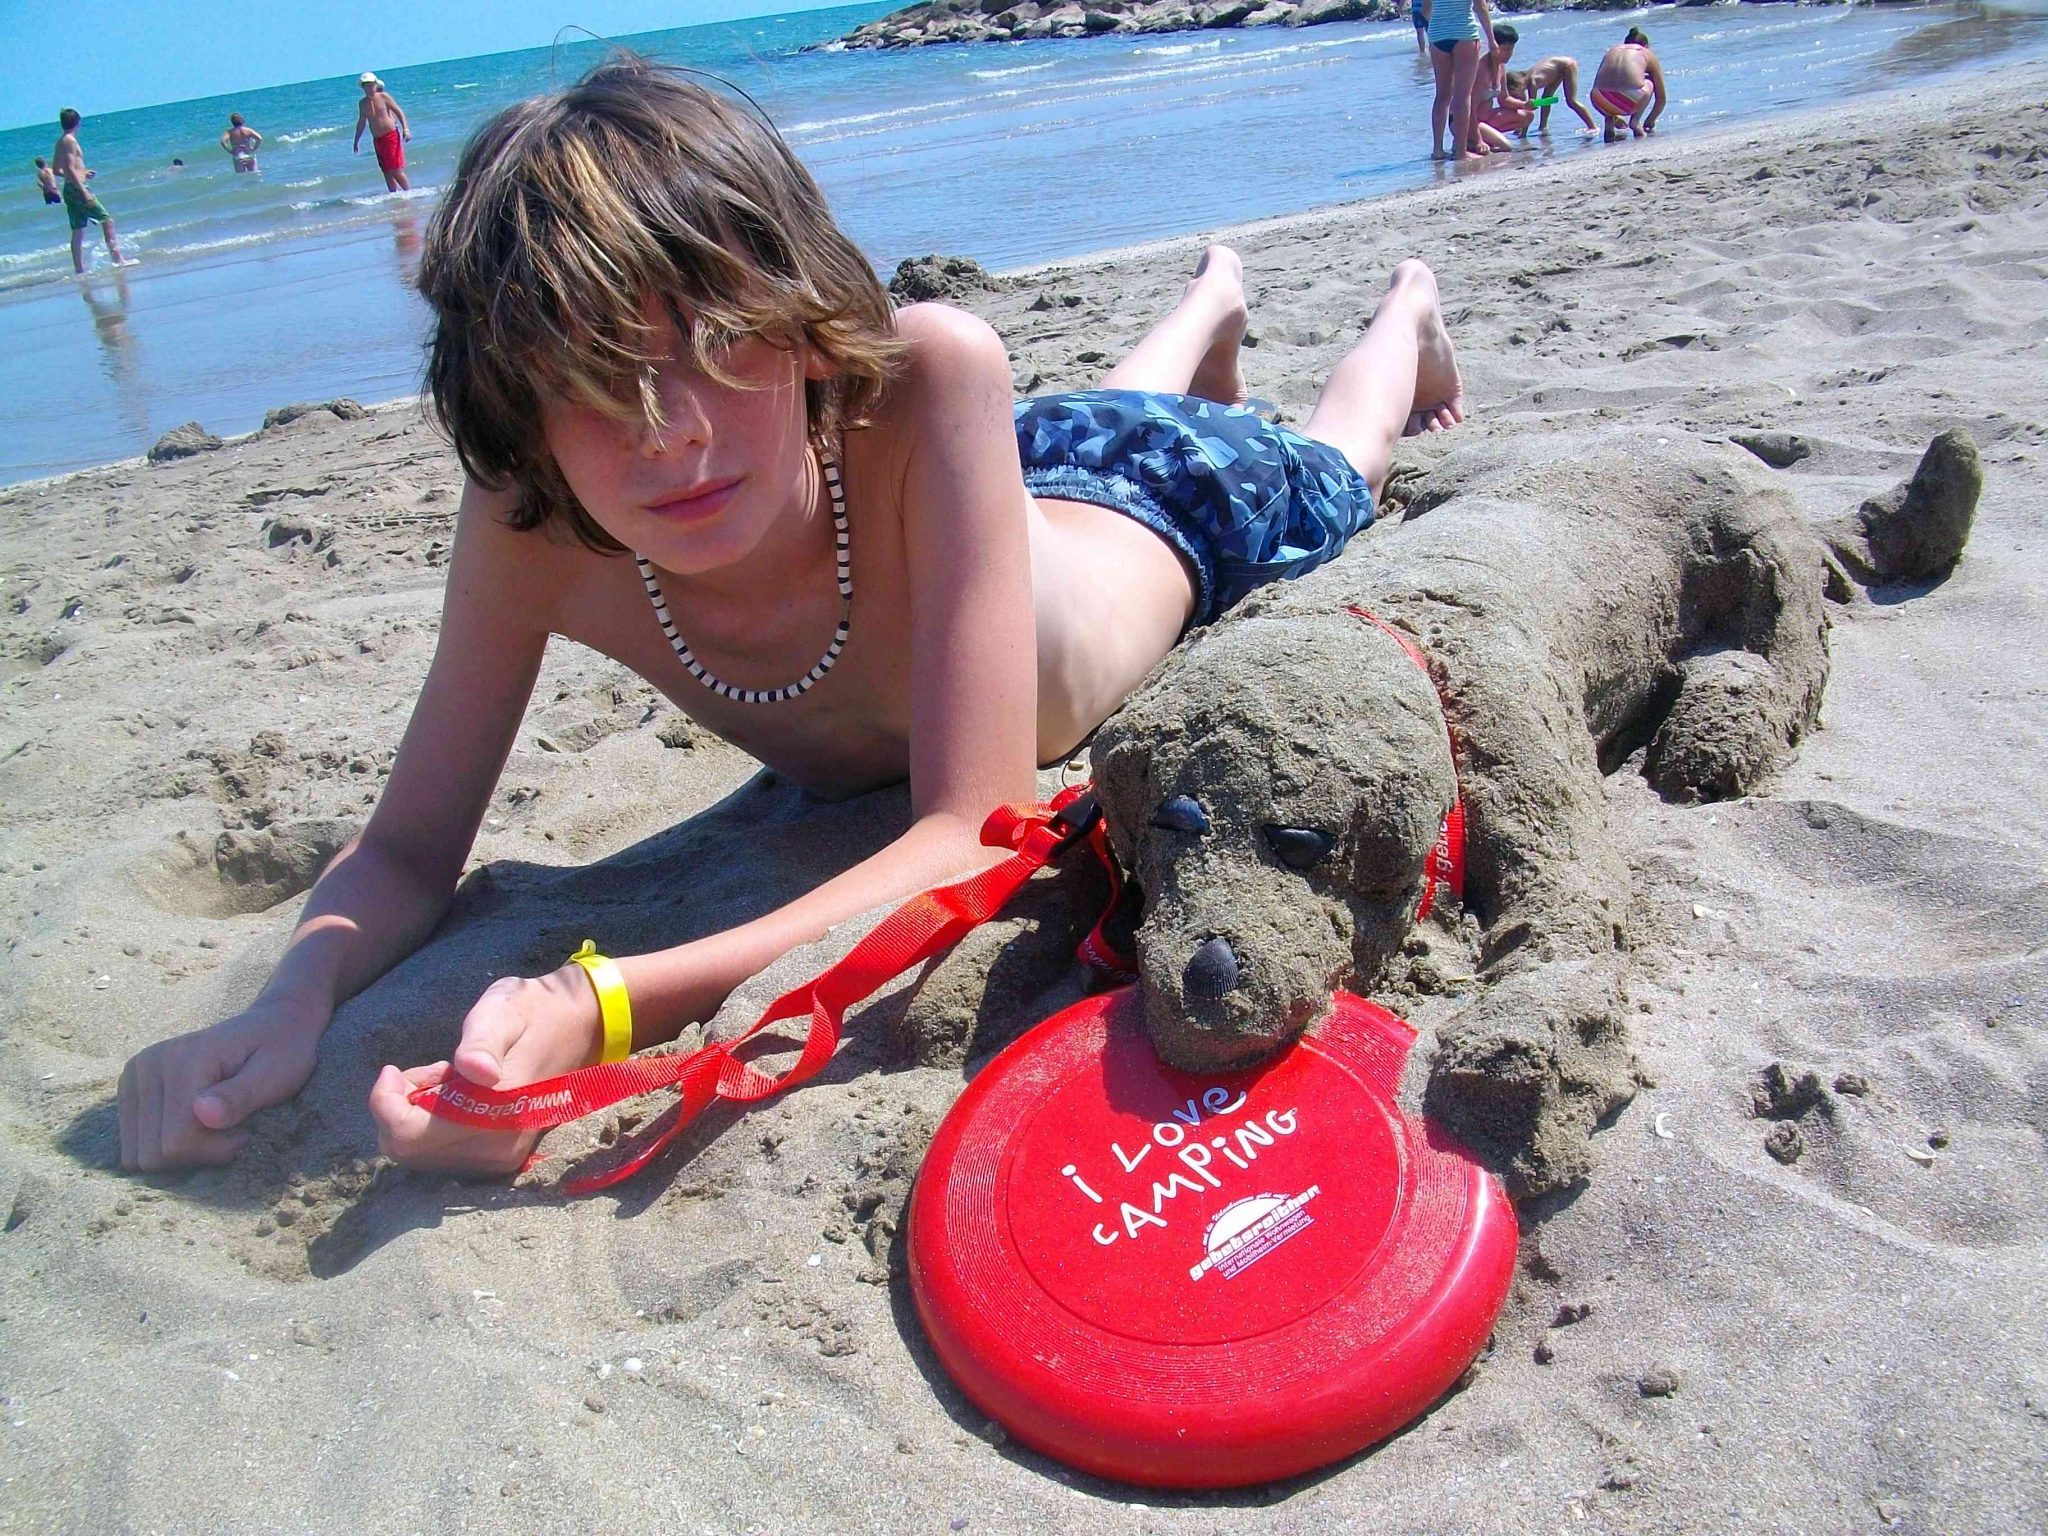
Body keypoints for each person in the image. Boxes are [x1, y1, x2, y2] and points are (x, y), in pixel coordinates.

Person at [115, 57, 1469, 1176]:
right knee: (1095, 416)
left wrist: (609, 1001)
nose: (671, 436)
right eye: (594, 380)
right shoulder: (529, 516)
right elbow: (410, 849)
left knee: (1339, 457)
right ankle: (1208, 301)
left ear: (809, 321)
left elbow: (967, 831)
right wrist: (287, 1005)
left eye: (716, 342)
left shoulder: (930, 370)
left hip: (1159, 515)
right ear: (517, 408)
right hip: (1013, 489)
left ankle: (1402, 313)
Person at [52, 108, 129, 274]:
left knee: (78, 230)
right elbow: (71, 168)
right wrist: (84, 191)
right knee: (107, 221)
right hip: (78, 189)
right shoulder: (70, 141)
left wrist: (83, 173)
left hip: (69, 189)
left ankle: (79, 269)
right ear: (77, 123)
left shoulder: (60, 141)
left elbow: (57, 170)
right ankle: (117, 260)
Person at [1427, 0, 1499, 163]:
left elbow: (1425, 9)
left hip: (1437, 34)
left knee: (1442, 96)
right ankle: (1461, 151)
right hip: (1464, 33)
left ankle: (1437, 149)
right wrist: (1492, 39)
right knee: (1462, 96)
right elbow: (1480, 7)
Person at [1591, 27, 1666, 144]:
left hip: (1599, 99)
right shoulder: (1645, 53)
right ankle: (1635, 122)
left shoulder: (1612, 50)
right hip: (1631, 99)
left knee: (1613, 81)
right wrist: (1650, 121)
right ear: (1645, 45)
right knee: (1649, 81)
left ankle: (1609, 122)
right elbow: (1661, 98)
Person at [352, 72, 412, 192]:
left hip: (391, 136)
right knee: (386, 171)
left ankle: (409, 192)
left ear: (376, 85)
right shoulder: (362, 103)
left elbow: (399, 111)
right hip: (378, 140)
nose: (370, 88)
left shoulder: (384, 97)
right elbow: (362, 122)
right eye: (367, 86)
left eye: (372, 85)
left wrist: (406, 129)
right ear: (363, 88)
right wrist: (356, 140)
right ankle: (394, 196)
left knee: (395, 169)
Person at [1517, 53, 1598, 135]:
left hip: (1567, 66)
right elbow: (1527, 105)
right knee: (1546, 98)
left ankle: (1592, 127)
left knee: (1571, 101)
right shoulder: (1523, 81)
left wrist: (1523, 134)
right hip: (1557, 69)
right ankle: (1543, 126)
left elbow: (1531, 108)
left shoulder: (1532, 82)